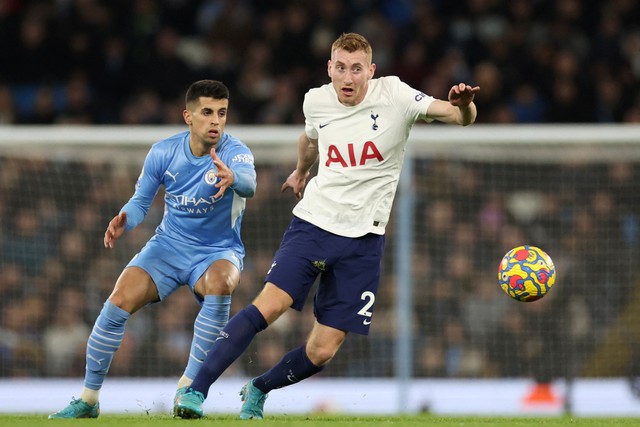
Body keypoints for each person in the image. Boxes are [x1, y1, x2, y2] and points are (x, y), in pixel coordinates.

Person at [174, 32, 479, 419]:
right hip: (314, 225)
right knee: (268, 307)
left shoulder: (395, 96)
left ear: (371, 71)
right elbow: (310, 136)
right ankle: (195, 392)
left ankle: (258, 387)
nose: (347, 77)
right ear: (329, 69)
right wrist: (301, 171)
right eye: (340, 68)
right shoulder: (315, 100)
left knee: (322, 351)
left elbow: (458, 117)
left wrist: (465, 106)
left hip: (365, 240)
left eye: (356, 69)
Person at [48, 80, 257, 418]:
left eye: (222, 113)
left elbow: (250, 183)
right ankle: (88, 400)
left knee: (222, 282)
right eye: (207, 113)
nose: (216, 121)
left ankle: (189, 388)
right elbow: (140, 202)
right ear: (188, 116)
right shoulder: (163, 151)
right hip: (167, 246)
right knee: (116, 302)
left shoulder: (236, 152)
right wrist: (124, 219)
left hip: (217, 251)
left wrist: (233, 177)